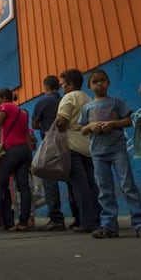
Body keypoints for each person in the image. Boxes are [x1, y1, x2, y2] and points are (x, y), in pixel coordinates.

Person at [79, 69, 141, 238]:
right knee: (104, 189)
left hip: (117, 150)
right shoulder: (87, 107)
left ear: (108, 83)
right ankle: (109, 226)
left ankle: (139, 223)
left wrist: (113, 124)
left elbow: (129, 121)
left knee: (128, 186)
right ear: (89, 86)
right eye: (95, 81)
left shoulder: (117, 102)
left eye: (102, 80)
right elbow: (82, 129)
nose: (99, 84)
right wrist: (91, 127)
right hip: (98, 153)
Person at [0, 88, 32, 233]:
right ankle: (23, 222)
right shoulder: (22, 112)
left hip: (11, 150)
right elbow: (26, 135)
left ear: (3, 98)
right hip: (25, 151)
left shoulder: (5, 107)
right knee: (24, 187)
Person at [56, 68, 101, 233]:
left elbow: (61, 122)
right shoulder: (89, 98)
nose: (62, 87)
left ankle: (87, 222)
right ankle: (97, 218)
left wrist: (56, 122)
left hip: (72, 146)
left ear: (70, 84)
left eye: (63, 84)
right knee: (91, 184)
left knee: (79, 186)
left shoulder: (69, 98)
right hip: (88, 146)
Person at [31, 75, 79, 231]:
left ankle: (57, 219)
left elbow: (35, 125)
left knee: (49, 179)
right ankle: (79, 217)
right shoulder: (66, 99)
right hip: (69, 141)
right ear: (58, 86)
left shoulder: (42, 102)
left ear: (45, 87)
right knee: (72, 179)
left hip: (50, 144)